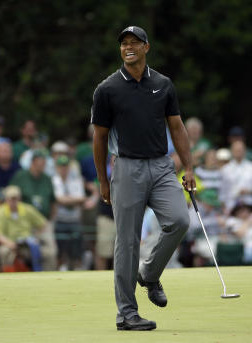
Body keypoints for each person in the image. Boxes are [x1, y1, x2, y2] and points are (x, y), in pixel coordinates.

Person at [91, 26, 194, 331]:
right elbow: (99, 138)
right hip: (126, 168)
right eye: (124, 43)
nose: (128, 47)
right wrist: (103, 179)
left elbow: (176, 127)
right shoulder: (107, 89)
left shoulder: (163, 84)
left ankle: (148, 274)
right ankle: (127, 313)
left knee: (179, 221)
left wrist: (188, 167)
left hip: (162, 166)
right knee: (127, 242)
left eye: (134, 42)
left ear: (146, 47)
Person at [0, 186, 56, 271]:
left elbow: (43, 224)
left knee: (48, 253)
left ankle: (48, 277)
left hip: (26, 244)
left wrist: (35, 236)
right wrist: (10, 244)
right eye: (11, 199)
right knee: (5, 252)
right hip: (7, 244)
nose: (13, 201)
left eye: (15, 198)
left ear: (19, 198)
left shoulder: (27, 209)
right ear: (6, 199)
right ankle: (8, 278)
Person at [52, 156, 86, 271]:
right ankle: (62, 267)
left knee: (77, 247)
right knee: (60, 248)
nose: (63, 169)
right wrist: (72, 200)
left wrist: (65, 200)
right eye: (61, 166)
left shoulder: (76, 180)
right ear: (57, 167)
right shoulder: (54, 180)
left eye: (65, 166)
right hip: (60, 219)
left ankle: (77, 267)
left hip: (74, 219)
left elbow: (82, 198)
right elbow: (58, 199)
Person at [219, 140, 252, 215]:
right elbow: (222, 193)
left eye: (240, 150)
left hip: (250, 206)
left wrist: (249, 191)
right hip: (231, 208)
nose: (238, 152)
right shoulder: (224, 170)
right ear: (232, 151)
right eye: (236, 150)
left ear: (245, 151)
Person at [10, 150, 55, 219]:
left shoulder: (47, 179)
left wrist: (52, 219)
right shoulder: (20, 176)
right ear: (33, 162)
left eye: (44, 162)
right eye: (41, 161)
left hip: (44, 220)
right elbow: (11, 198)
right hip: (24, 221)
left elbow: (53, 201)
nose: (44, 164)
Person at [225, 198, 252, 264]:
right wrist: (247, 223)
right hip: (243, 246)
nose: (245, 212)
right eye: (242, 210)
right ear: (236, 212)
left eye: (247, 210)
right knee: (250, 249)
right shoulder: (231, 221)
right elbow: (239, 234)